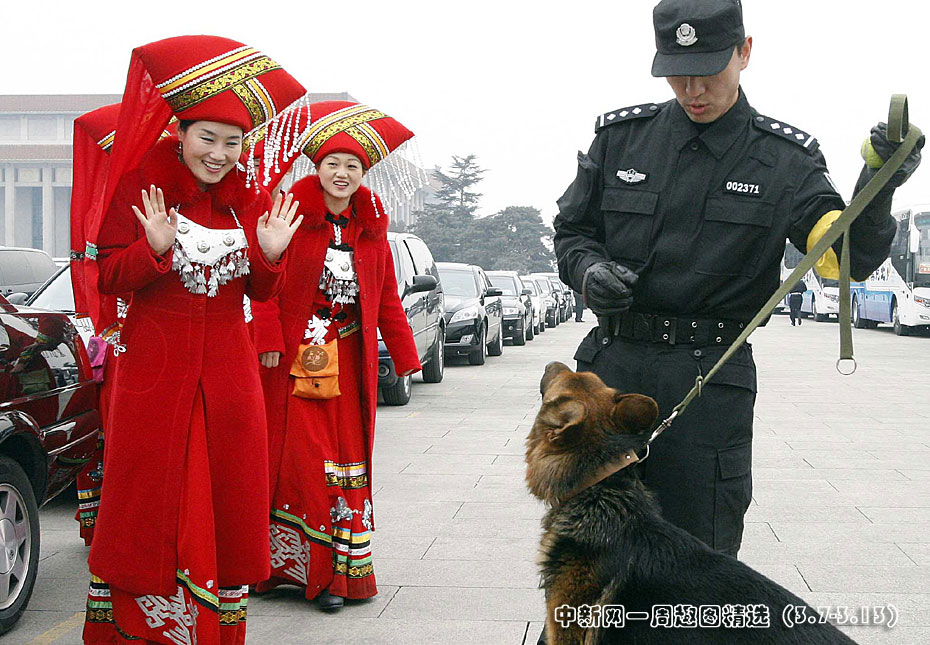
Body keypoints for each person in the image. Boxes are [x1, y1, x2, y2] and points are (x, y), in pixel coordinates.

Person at [554, 0, 922, 562]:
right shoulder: (622, 138)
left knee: (699, 556)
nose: (693, 90)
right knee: (586, 554)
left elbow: (838, 259)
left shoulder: (784, 159)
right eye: (678, 74)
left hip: (709, 380)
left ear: (744, 52)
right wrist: (588, 270)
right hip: (610, 371)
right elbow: (574, 231)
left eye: (708, 71)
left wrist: (879, 182)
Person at [80, 35, 306, 644]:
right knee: (149, 498)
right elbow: (108, 274)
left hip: (230, 374)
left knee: (226, 496)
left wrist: (271, 255)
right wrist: (152, 249)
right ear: (179, 134)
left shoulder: (250, 202)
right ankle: (142, 628)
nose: (219, 154)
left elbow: (261, 289)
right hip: (153, 371)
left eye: (233, 142)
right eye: (207, 138)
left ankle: (211, 630)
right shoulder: (139, 187)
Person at [251, 101, 421, 611]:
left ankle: (341, 577)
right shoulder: (289, 216)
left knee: (347, 466)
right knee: (304, 462)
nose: (342, 173)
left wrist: (406, 356)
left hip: (349, 363)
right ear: (317, 168)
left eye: (352, 165)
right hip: (294, 360)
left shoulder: (372, 232)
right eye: (332, 163)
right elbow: (263, 283)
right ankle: (301, 570)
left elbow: (386, 297)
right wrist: (268, 340)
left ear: (363, 174)